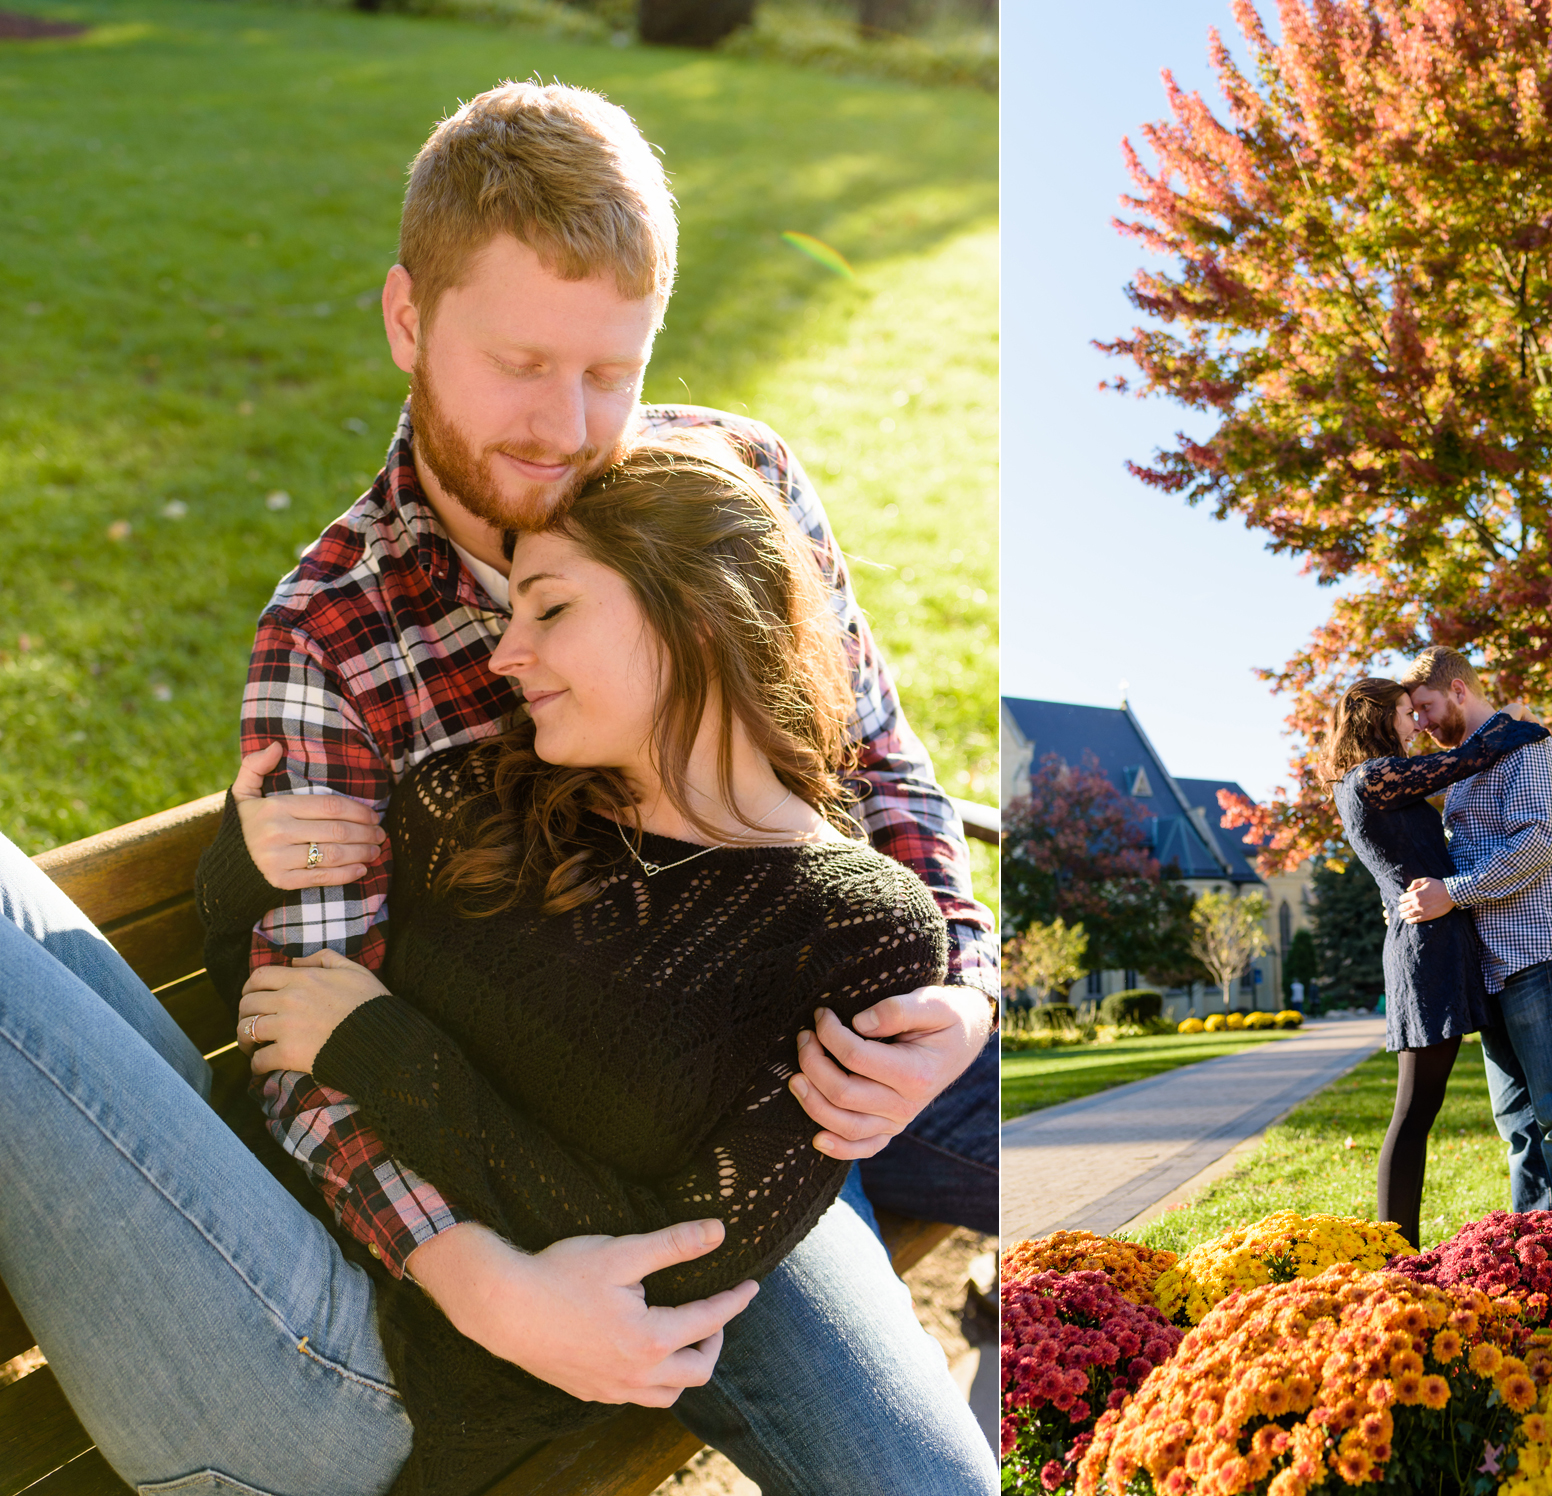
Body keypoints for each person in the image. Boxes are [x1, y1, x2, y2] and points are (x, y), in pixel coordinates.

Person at [212, 79, 998, 1488]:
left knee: (1091, 1176)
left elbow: (885, 765)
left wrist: (962, 1001)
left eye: (611, 370)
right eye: (520, 362)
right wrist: (470, 1276)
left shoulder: (736, 478)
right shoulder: (334, 638)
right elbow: (307, 1049)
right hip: (650, 1163)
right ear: (407, 319)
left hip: (860, 1029)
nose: (569, 427)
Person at [0, 437, 994, 1496]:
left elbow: (671, 1265)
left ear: (693, 617)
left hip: (367, 1380)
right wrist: (244, 872)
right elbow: (276, 1000)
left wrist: (384, 1050)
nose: (505, 654)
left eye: (550, 610)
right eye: (511, 610)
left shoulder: (854, 928)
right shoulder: (487, 798)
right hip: (244, 1200)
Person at [1395, 646, 1552, 1244]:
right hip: (1492, 966)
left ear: (1459, 690)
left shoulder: (1526, 747)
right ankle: (1541, 1254)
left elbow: (1534, 846)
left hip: (1538, 952)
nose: (1419, 724)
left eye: (1425, 707)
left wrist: (1455, 892)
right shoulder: (1468, 766)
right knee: (1520, 1127)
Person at [1324, 678, 1548, 1249]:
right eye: (1406, 713)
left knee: (1487, 1102)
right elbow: (1467, 759)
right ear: (1377, 720)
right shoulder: (1372, 778)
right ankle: (1395, 1249)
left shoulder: (1375, 783)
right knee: (1415, 1109)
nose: (1416, 723)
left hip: (1445, 942)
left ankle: (1541, 1219)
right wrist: (1522, 726)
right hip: (1425, 953)